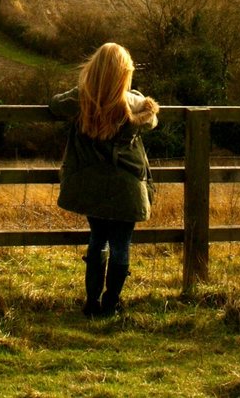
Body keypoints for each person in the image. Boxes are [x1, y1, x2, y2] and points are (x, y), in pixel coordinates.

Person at [49, 42, 159, 317]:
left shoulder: (82, 99)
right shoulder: (136, 102)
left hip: (92, 184)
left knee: (98, 239)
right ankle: (111, 304)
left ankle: (92, 302)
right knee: (122, 243)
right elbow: (152, 121)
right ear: (125, 73)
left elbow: (54, 105)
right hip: (128, 187)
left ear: (95, 69)